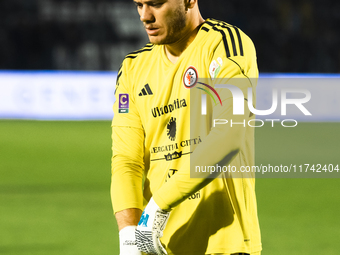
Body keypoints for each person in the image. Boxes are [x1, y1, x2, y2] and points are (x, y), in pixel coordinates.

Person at [111, 0, 262, 254]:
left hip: (225, 245)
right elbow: (126, 159)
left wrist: (158, 204)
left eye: (156, 4)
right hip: (159, 245)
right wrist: (128, 236)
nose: (145, 16)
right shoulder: (132, 69)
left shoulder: (225, 44)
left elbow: (229, 135)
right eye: (139, 5)